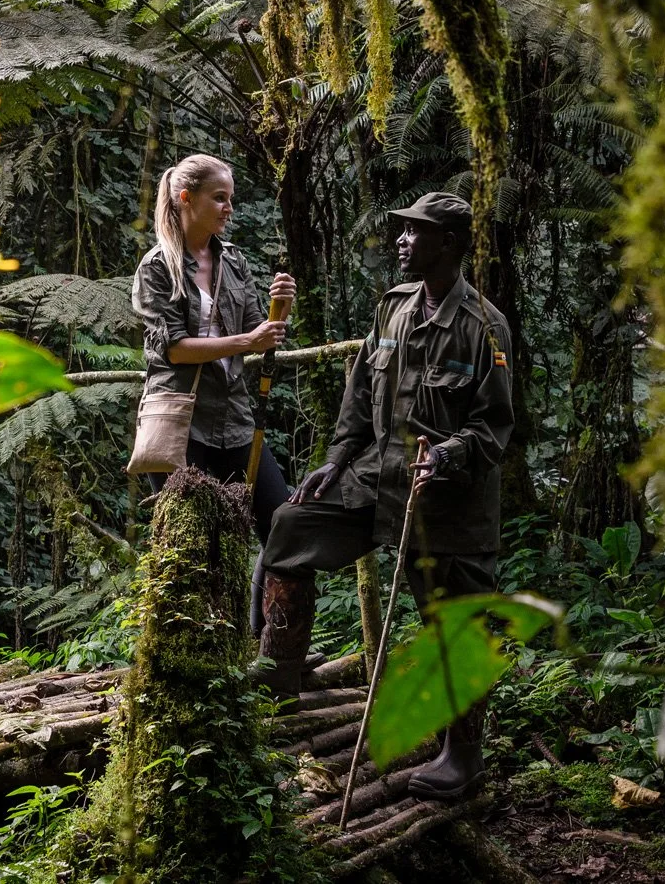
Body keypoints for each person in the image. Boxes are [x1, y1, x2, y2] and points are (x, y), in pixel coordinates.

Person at [257, 191, 514, 801]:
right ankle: (275, 691)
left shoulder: (485, 326)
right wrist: (336, 459)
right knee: (291, 526)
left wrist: (448, 454)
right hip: (376, 478)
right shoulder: (393, 309)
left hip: (445, 501)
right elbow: (359, 391)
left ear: (448, 244)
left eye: (414, 233)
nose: (400, 241)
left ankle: (464, 756)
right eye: (400, 232)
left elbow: (493, 426)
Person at [131, 154, 296, 630]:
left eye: (231, 199)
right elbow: (174, 349)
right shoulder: (158, 267)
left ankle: (269, 649)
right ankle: (194, 665)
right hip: (182, 425)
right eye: (219, 198)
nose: (229, 208)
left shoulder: (234, 260)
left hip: (235, 420)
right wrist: (249, 340)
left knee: (282, 527)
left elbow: (255, 333)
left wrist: (278, 309)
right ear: (186, 198)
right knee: (191, 549)